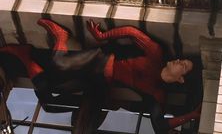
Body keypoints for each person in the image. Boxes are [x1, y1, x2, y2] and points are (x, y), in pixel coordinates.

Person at [0, 18, 201, 133]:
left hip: (98, 81)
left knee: (49, 102)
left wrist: (192, 115)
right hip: (101, 59)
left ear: (180, 79)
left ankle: (25, 54)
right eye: (181, 59)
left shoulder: (157, 94)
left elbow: (160, 125)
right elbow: (132, 32)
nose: (178, 60)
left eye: (183, 65)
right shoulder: (156, 53)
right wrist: (103, 36)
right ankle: (61, 37)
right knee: (59, 64)